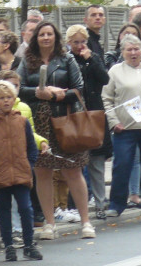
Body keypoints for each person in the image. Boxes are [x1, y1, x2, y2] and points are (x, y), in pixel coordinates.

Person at [17, 21, 94, 240]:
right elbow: (19, 88)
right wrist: (37, 92)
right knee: (42, 172)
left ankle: (86, 221)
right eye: (42, 34)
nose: (46, 38)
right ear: (36, 38)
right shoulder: (27, 60)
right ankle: (49, 223)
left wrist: (56, 94)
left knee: (72, 169)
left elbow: (79, 89)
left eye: (49, 34)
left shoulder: (66, 58)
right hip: (39, 123)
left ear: (56, 37)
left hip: (64, 120)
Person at [0, 81, 43, 261]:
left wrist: (28, 164)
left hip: (21, 172)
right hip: (0, 174)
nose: (6, 101)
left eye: (9, 97)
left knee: (25, 208)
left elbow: (31, 146)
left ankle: (29, 244)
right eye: (2, 98)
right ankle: (8, 244)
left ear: (14, 98)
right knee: (4, 210)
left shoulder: (22, 121)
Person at [67, 24, 111, 219]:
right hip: (74, 115)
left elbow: (104, 79)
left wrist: (91, 59)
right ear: (69, 43)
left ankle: (101, 203)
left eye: (82, 42)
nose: (79, 46)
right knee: (75, 161)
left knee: (97, 161)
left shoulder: (93, 58)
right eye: (75, 42)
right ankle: (76, 205)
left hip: (93, 113)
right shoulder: (66, 60)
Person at [102, 34, 141, 217]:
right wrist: (113, 122)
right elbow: (107, 99)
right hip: (124, 128)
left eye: (137, 49)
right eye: (129, 49)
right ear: (123, 52)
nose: (133, 52)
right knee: (122, 165)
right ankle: (116, 203)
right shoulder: (115, 71)